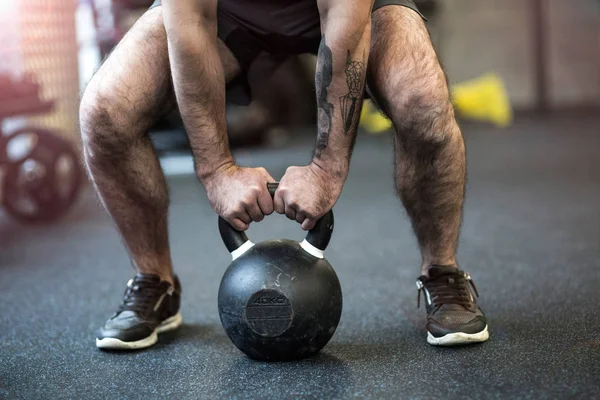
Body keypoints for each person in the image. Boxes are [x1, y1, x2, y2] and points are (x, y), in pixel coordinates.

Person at [80, 0, 489, 350]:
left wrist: (328, 167)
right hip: (228, 8)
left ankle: (442, 272)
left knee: (424, 105)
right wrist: (217, 170)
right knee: (105, 112)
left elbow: (343, 18)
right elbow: (191, 24)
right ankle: (155, 281)